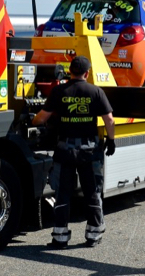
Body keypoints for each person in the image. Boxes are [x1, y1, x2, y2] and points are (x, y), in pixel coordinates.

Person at [32, 56, 116, 248]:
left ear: (70, 71)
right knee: (92, 192)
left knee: (63, 193)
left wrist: (34, 121)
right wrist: (111, 140)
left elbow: (41, 119)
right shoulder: (96, 92)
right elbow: (109, 120)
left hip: (65, 150)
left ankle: (60, 238)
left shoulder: (59, 91)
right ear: (87, 73)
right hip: (90, 151)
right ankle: (93, 235)